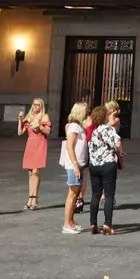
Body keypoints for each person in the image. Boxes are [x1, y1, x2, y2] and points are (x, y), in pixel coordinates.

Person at [86, 101, 121, 235]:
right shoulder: (108, 129)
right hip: (107, 164)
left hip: (94, 165)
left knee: (95, 195)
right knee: (109, 195)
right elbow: (118, 144)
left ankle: (92, 223)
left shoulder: (93, 130)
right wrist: (119, 153)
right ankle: (107, 224)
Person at [17, 98, 51, 209]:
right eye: (33, 104)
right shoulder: (29, 117)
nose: (35, 106)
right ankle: (30, 197)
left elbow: (48, 131)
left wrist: (40, 126)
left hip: (40, 143)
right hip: (30, 144)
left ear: (41, 106)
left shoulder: (44, 116)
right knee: (31, 172)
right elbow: (19, 132)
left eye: (37, 105)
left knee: (36, 171)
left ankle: (34, 198)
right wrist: (20, 120)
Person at [60, 99, 88, 233]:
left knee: (76, 194)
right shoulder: (74, 127)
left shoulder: (79, 126)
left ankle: (71, 220)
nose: (87, 112)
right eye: (86, 110)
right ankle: (66, 223)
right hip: (73, 165)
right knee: (72, 194)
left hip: (79, 164)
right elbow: (70, 146)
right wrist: (75, 165)